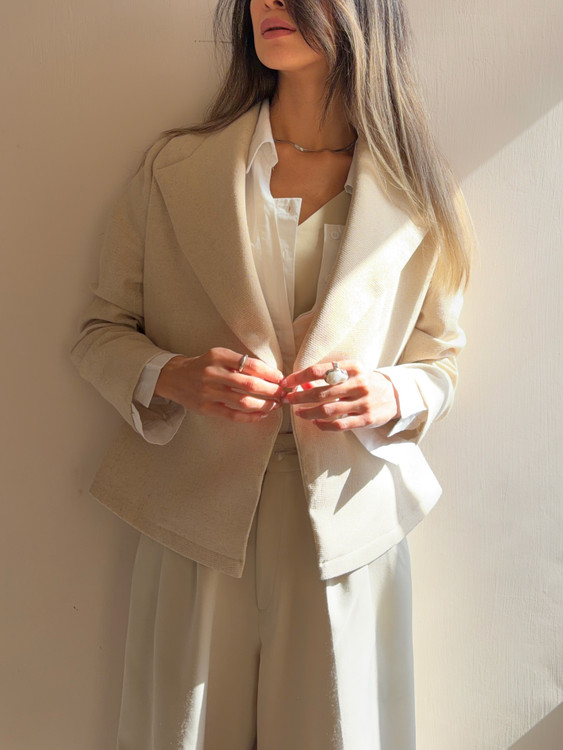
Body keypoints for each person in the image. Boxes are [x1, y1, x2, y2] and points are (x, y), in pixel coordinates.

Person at [71, 0, 475, 748]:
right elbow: (99, 334)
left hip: (347, 528)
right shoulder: (177, 168)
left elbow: (441, 359)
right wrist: (174, 375)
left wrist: (391, 392)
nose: (267, 2)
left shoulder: (419, 194)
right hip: (197, 518)